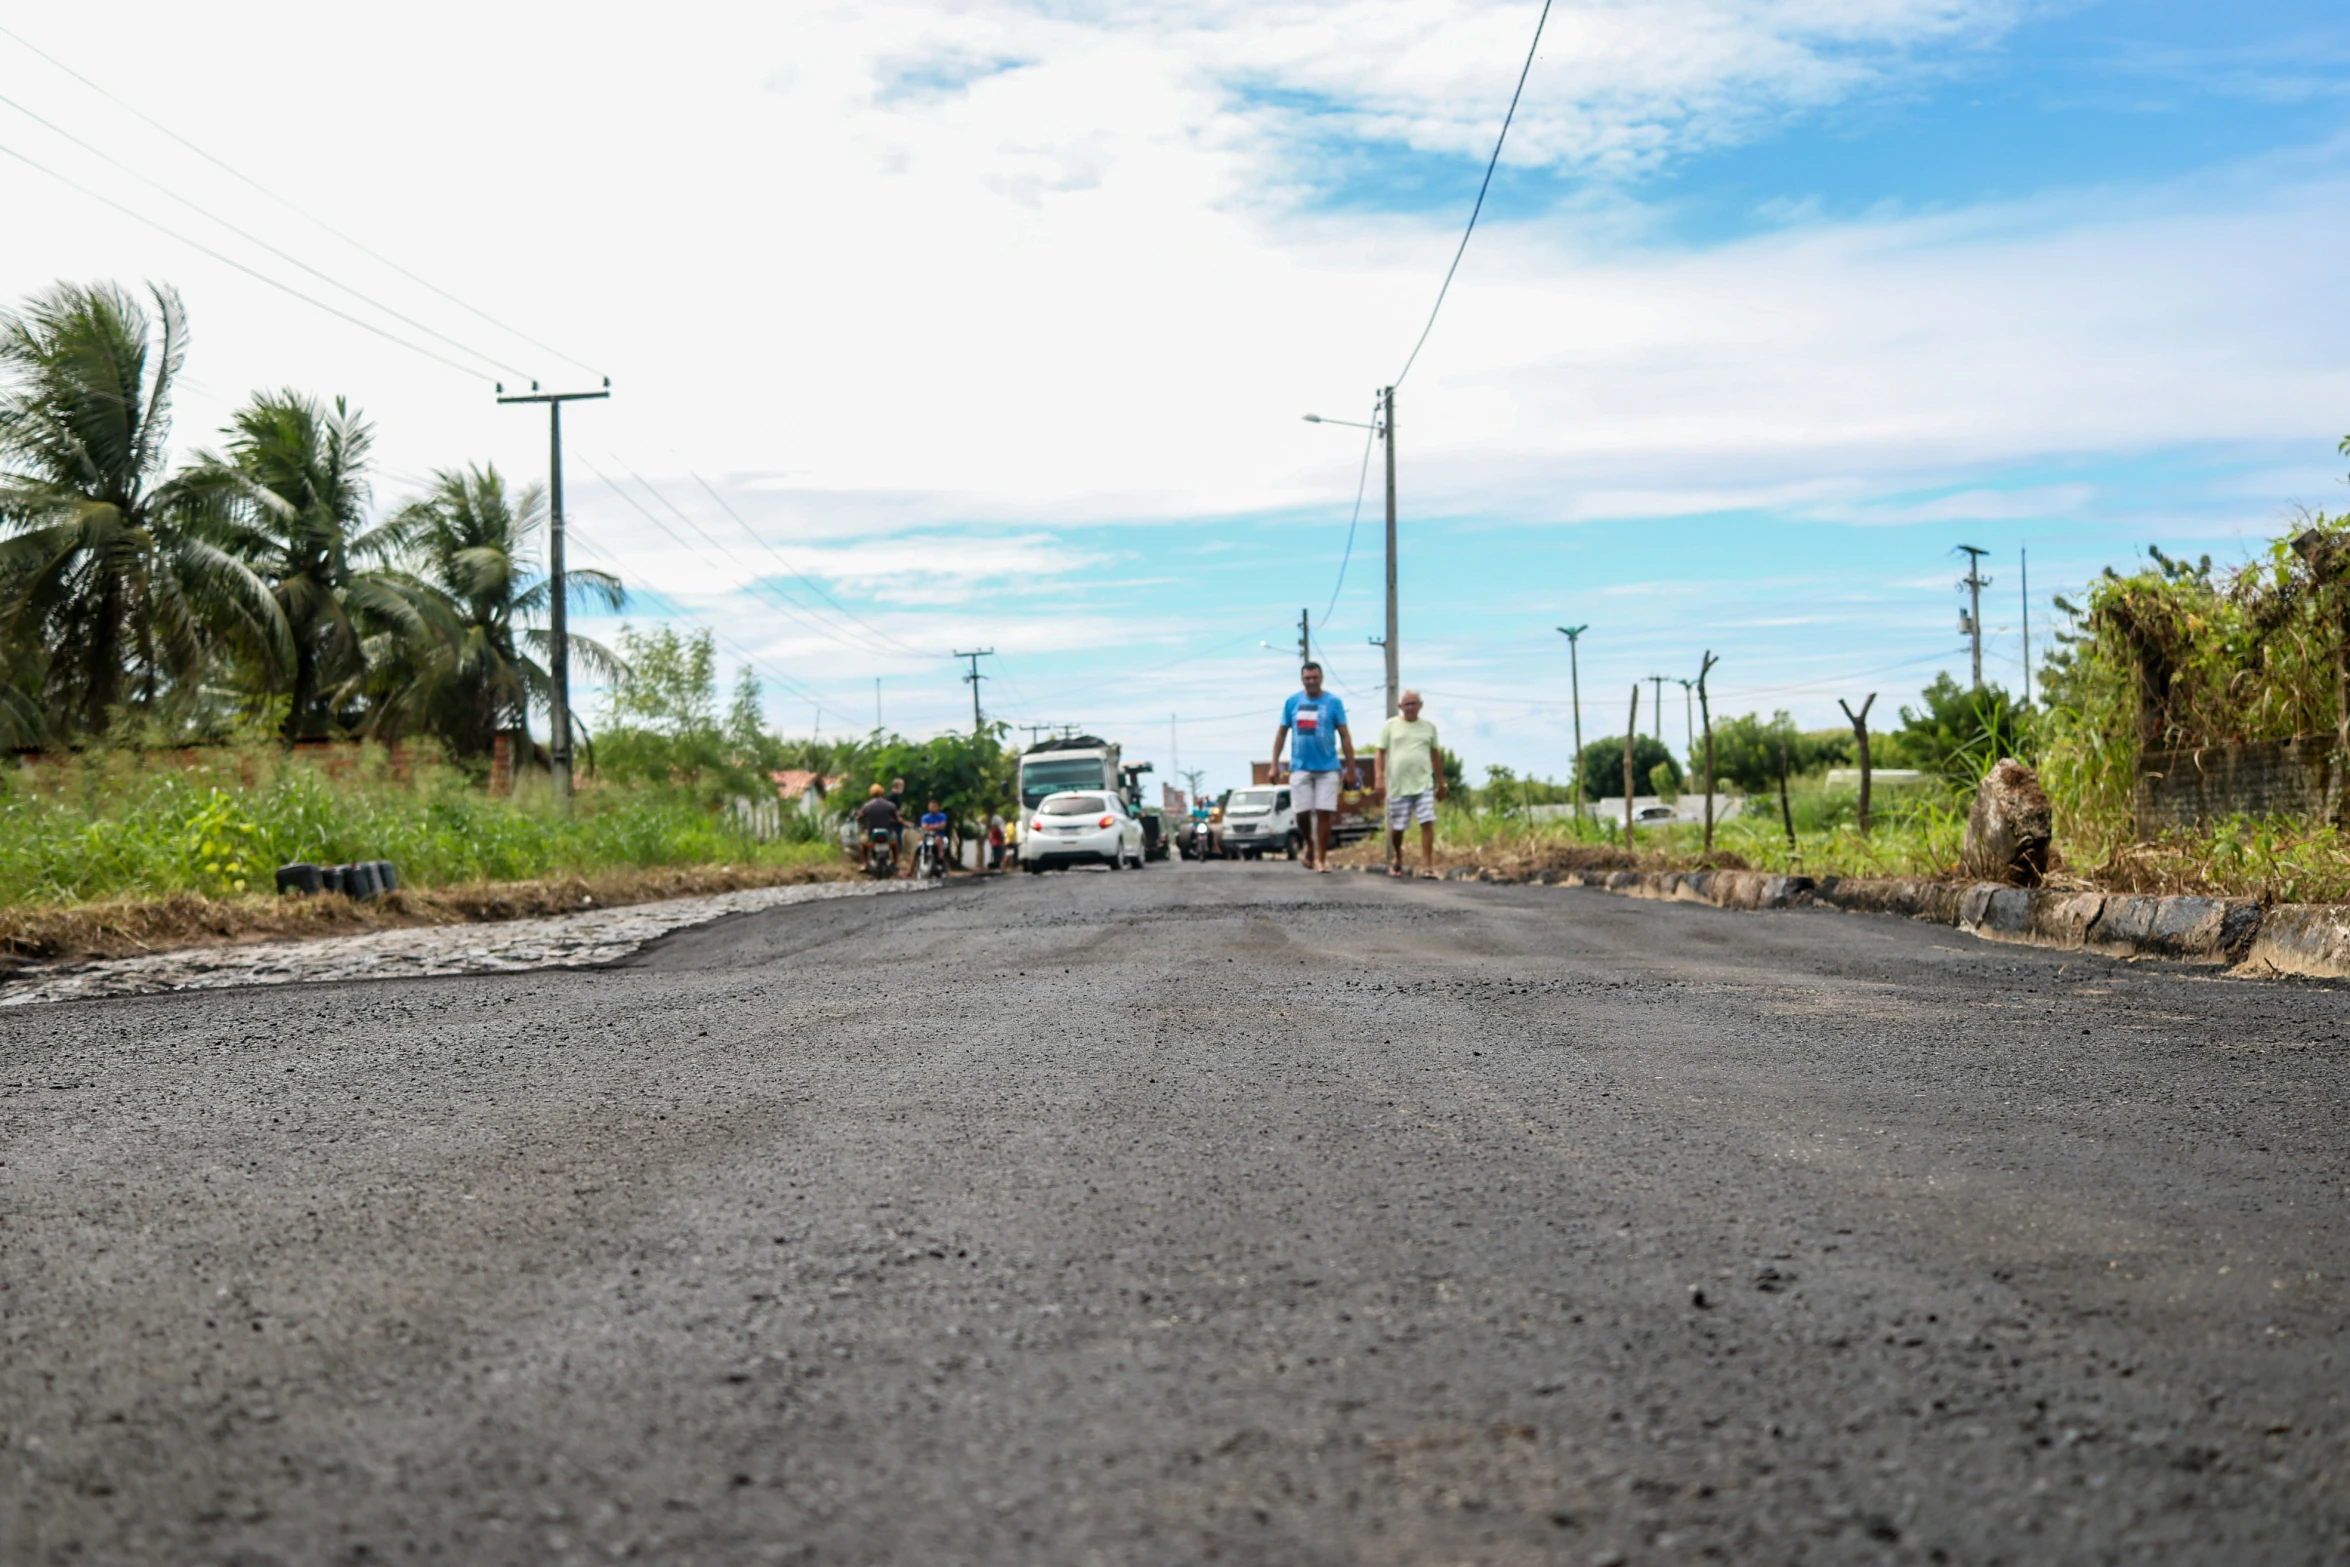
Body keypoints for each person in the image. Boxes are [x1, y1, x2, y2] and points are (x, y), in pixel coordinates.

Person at [1269, 660, 1356, 873]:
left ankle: (1321, 858)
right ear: (1302, 680)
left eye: (1315, 678)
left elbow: (1344, 735)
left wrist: (1351, 769)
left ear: (1321, 678)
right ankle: (1309, 842)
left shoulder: (1333, 702)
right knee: (1302, 813)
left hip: (1328, 766)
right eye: (1307, 678)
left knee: (1325, 812)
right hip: (1300, 766)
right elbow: (1281, 733)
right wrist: (1274, 765)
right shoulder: (1292, 702)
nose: (1311, 682)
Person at [1376, 688, 1446, 878]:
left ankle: (1427, 866)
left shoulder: (1429, 727)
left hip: (1423, 783)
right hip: (1398, 785)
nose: (1411, 708)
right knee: (1397, 828)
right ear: (1400, 706)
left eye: (1414, 703)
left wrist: (1441, 783)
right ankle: (1398, 855)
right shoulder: (1391, 726)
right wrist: (1379, 778)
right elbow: (1380, 752)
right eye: (1407, 704)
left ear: (1420, 706)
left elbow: (1435, 755)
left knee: (1427, 821)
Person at [855, 783, 904, 867]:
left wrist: (860, 818)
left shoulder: (866, 806)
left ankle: (865, 863)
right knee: (895, 845)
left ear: (871, 794)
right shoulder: (891, 805)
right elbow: (898, 819)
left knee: (862, 844)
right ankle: (896, 863)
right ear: (882, 793)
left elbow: (859, 819)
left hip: (871, 834)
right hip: (888, 833)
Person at [918, 799, 951, 872]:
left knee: (938, 840)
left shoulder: (942, 816)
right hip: (927, 836)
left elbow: (943, 826)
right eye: (930, 806)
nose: (932, 808)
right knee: (918, 848)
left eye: (933, 806)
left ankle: (940, 859)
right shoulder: (925, 817)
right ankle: (911, 869)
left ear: (937, 807)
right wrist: (936, 826)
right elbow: (924, 827)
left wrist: (930, 827)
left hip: (939, 836)